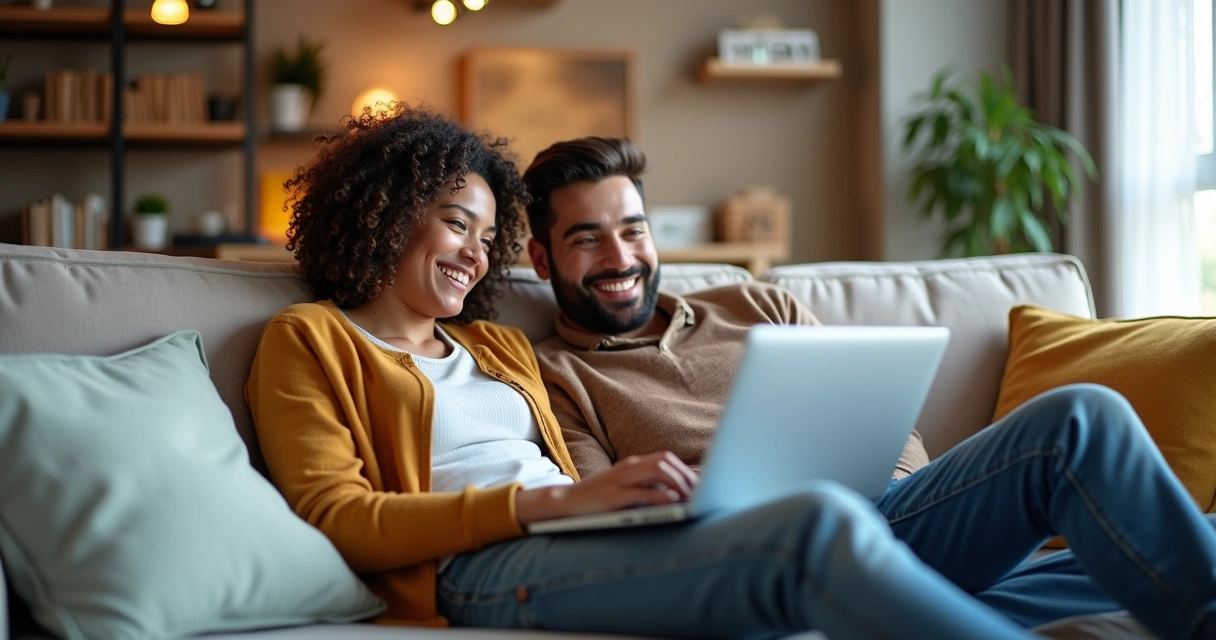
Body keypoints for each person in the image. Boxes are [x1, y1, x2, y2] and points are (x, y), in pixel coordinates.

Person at [244, 104, 1058, 640]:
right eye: (458, 224)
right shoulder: (311, 339)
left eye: (487, 239)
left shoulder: (496, 347)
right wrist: (550, 503)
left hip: (581, 535)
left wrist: (630, 500)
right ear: (386, 215)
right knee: (816, 527)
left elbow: (580, 471)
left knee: (1070, 445)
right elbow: (340, 518)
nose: (475, 255)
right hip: (476, 567)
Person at [521, 135, 1216, 640]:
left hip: (897, 513)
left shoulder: (757, 303)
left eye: (633, 230)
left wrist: (898, 490)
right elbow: (610, 517)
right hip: (771, 551)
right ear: (542, 259)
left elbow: (886, 424)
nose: (620, 258)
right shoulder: (554, 376)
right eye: (587, 239)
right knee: (1115, 558)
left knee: (1079, 417)